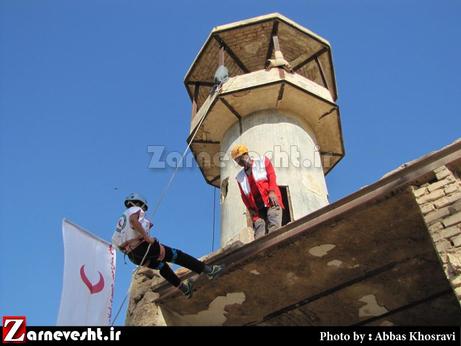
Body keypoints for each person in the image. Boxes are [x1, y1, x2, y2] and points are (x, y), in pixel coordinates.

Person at [112, 193, 224, 298]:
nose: (144, 210)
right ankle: (209, 271)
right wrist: (147, 238)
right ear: (139, 203)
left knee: (162, 266)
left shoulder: (120, 222)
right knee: (177, 255)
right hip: (143, 247)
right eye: (143, 207)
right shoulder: (135, 209)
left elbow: (117, 244)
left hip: (132, 256)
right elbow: (134, 220)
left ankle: (185, 289)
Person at [231, 145, 284, 240]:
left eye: (241, 159)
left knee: (274, 225)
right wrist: (250, 209)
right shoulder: (240, 177)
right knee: (259, 233)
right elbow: (244, 195)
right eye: (237, 161)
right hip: (257, 209)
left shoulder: (262, 161)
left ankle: (274, 246)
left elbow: (271, 176)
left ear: (246, 154)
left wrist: (272, 192)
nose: (240, 162)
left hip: (270, 201)